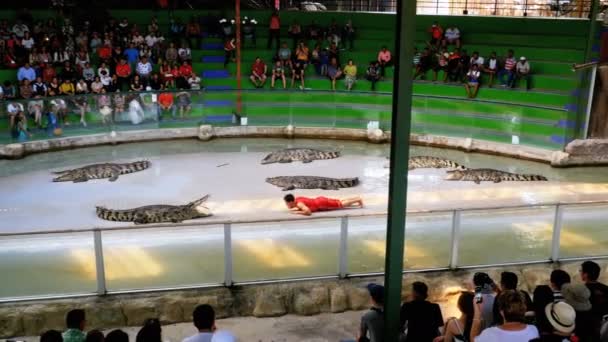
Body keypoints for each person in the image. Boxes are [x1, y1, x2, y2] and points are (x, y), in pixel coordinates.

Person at [471, 290, 540, 342]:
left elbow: (473, 339)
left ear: (502, 312)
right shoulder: (533, 330)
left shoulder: (490, 333)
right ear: (524, 311)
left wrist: (478, 312)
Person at [580, 260, 608, 335]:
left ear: (585, 275)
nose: (580, 273)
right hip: (604, 327)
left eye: (581, 271)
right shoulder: (606, 288)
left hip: (587, 329)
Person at [283, 193, 363, 216]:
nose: (286, 205)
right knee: (339, 202)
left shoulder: (299, 204)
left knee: (340, 205)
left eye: (286, 203)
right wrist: (298, 209)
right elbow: (305, 205)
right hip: (320, 200)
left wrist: (298, 212)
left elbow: (308, 212)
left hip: (321, 204)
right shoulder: (297, 199)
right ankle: (356, 198)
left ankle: (358, 199)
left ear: (290, 202)